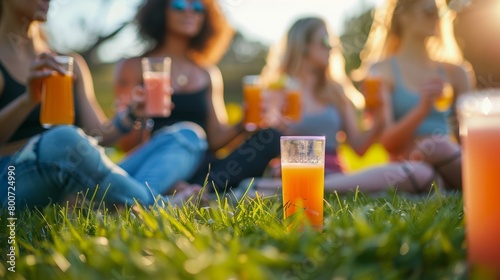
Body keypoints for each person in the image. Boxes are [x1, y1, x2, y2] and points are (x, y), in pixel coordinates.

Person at [0, 0, 206, 210]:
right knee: (63, 138)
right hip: (12, 178)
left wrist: (132, 115)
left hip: (78, 173)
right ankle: (155, 206)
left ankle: (121, 202)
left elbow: (99, 135)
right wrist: (28, 100)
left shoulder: (68, 64)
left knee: (187, 136)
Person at [243, 17, 440, 195]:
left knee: (418, 172)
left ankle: (278, 189)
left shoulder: (336, 91)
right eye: (325, 42)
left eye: (334, 43)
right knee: (417, 176)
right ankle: (294, 186)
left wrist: (380, 117)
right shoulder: (279, 90)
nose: (332, 48)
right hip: (292, 168)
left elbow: (358, 147)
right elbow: (261, 139)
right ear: (303, 46)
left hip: (335, 174)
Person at [114, 0, 281, 193]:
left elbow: (215, 140)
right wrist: (138, 115)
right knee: (183, 140)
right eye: (179, 5)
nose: (189, 12)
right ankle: (203, 191)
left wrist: (243, 122)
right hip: (157, 165)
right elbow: (126, 145)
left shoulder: (207, 73)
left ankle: (197, 191)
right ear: (160, 11)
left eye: (199, 7)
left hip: (203, 168)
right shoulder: (134, 67)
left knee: (271, 136)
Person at [353, 0, 475, 190]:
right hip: (408, 168)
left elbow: (468, 140)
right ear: (404, 17)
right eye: (428, 12)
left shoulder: (456, 73)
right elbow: (387, 142)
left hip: (448, 165)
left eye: (438, 13)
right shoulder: (381, 71)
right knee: (432, 155)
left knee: (440, 146)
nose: (435, 18)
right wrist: (422, 109)